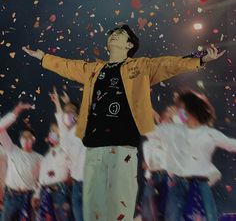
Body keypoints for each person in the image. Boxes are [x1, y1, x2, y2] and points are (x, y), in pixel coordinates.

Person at [22, 25, 225, 221]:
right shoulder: (93, 69)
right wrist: (43, 57)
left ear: (129, 45)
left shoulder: (141, 67)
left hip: (122, 147)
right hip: (94, 147)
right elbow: (68, 66)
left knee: (120, 205)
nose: (113, 35)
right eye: (112, 33)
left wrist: (202, 58)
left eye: (119, 34)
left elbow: (170, 64)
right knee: (93, 208)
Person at [145, 91, 236, 220]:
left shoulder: (209, 133)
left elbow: (231, 144)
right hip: (176, 185)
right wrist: (149, 110)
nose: (177, 111)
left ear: (190, 110)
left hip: (200, 186)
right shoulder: (171, 130)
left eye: (180, 108)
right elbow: (147, 131)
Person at [0, 103, 42, 221]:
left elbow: (41, 181)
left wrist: (37, 195)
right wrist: (15, 113)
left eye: (29, 137)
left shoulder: (39, 158)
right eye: (23, 136)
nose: (26, 139)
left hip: (28, 199)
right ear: (20, 139)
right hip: (11, 197)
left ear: (33, 140)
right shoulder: (12, 149)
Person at [50, 88, 86, 221]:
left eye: (72, 111)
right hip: (76, 186)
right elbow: (61, 118)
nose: (68, 113)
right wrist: (57, 103)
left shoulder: (84, 129)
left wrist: (70, 102)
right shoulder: (66, 135)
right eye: (67, 111)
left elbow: (86, 113)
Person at [34, 121, 73, 221]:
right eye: (51, 131)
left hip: (60, 191)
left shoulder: (66, 150)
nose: (52, 133)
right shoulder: (45, 157)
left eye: (55, 130)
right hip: (45, 193)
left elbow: (72, 167)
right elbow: (41, 178)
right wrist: (37, 194)